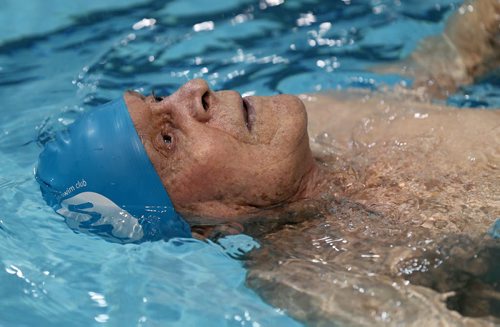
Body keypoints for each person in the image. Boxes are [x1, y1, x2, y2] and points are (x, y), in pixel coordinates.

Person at [36, 0, 499, 324]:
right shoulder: (327, 282)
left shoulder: (326, 116)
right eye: (168, 137)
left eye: (159, 97)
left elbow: (445, 67)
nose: (195, 88)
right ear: (204, 224)